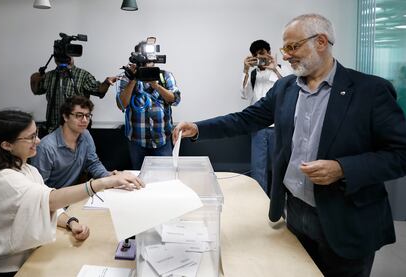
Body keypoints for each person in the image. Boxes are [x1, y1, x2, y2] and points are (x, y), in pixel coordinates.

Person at [173, 13, 406, 277]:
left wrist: (343, 168)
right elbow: (246, 119)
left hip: (346, 221)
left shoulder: (370, 91)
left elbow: (400, 154)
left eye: (293, 47)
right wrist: (199, 128)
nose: (285, 56)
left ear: (321, 42)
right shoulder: (286, 88)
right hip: (294, 213)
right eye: (285, 48)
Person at [0, 110, 143, 276]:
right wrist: (103, 183)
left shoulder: (28, 169)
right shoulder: (4, 179)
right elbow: (50, 200)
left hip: (31, 254)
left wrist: (71, 222)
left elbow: (43, 204)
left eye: (36, 134)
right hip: (8, 267)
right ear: (6, 145)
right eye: (30, 138)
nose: (38, 140)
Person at [30, 96, 139, 189]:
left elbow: (93, 163)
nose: (85, 120)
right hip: (53, 201)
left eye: (87, 115)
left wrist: (109, 176)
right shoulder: (46, 147)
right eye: (79, 115)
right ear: (65, 116)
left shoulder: (85, 135)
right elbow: (39, 187)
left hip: (75, 195)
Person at [116, 39, 181, 169]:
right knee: (139, 179)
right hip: (137, 142)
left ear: (155, 60)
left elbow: (175, 100)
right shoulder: (127, 77)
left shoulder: (165, 76)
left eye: (149, 61)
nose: (147, 65)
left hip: (162, 141)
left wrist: (155, 85)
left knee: (164, 177)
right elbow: (121, 105)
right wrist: (134, 79)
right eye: (143, 62)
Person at [241, 39, 287, 195]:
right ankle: (259, 201)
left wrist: (275, 70)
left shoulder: (282, 70)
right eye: (258, 54)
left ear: (269, 52)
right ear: (253, 57)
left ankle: (279, 202)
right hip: (258, 126)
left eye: (264, 52)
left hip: (278, 126)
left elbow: (290, 90)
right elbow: (245, 95)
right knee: (258, 167)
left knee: (279, 166)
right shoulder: (253, 74)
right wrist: (245, 71)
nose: (262, 56)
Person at [30, 55, 117, 133]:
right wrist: (34, 78)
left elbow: (99, 91)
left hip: (77, 130)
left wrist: (106, 83)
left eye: (68, 54)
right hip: (53, 129)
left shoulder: (83, 75)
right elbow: (36, 90)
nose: (64, 57)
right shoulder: (49, 76)